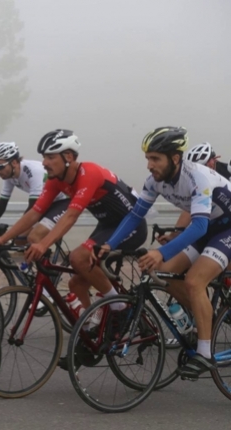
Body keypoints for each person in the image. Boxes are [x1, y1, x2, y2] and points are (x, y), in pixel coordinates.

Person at [101, 126, 231, 379]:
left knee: (194, 281)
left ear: (175, 158)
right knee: (162, 274)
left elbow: (199, 226)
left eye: (155, 159)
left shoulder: (198, 177)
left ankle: (205, 354)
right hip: (208, 228)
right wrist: (109, 244)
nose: (149, 165)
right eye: (147, 158)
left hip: (226, 228)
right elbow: (135, 215)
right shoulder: (154, 181)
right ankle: (206, 317)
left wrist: (161, 251)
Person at [0, 129, 146, 318]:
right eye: (43, 157)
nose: (44, 163)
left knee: (78, 258)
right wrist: (3, 239)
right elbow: (34, 213)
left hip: (131, 226)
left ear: (68, 156)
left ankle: (120, 308)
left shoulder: (89, 173)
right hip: (107, 226)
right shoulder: (55, 180)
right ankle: (90, 327)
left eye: (50, 157)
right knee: (75, 284)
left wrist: (43, 244)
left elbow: (71, 216)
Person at [0, 141, 70, 244]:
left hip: (63, 201)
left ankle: (44, 253)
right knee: (18, 241)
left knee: (33, 237)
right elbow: (1, 206)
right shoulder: (9, 175)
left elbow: (32, 208)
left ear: (14, 162)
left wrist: (8, 236)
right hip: (45, 204)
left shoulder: (34, 172)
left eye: (0, 167)